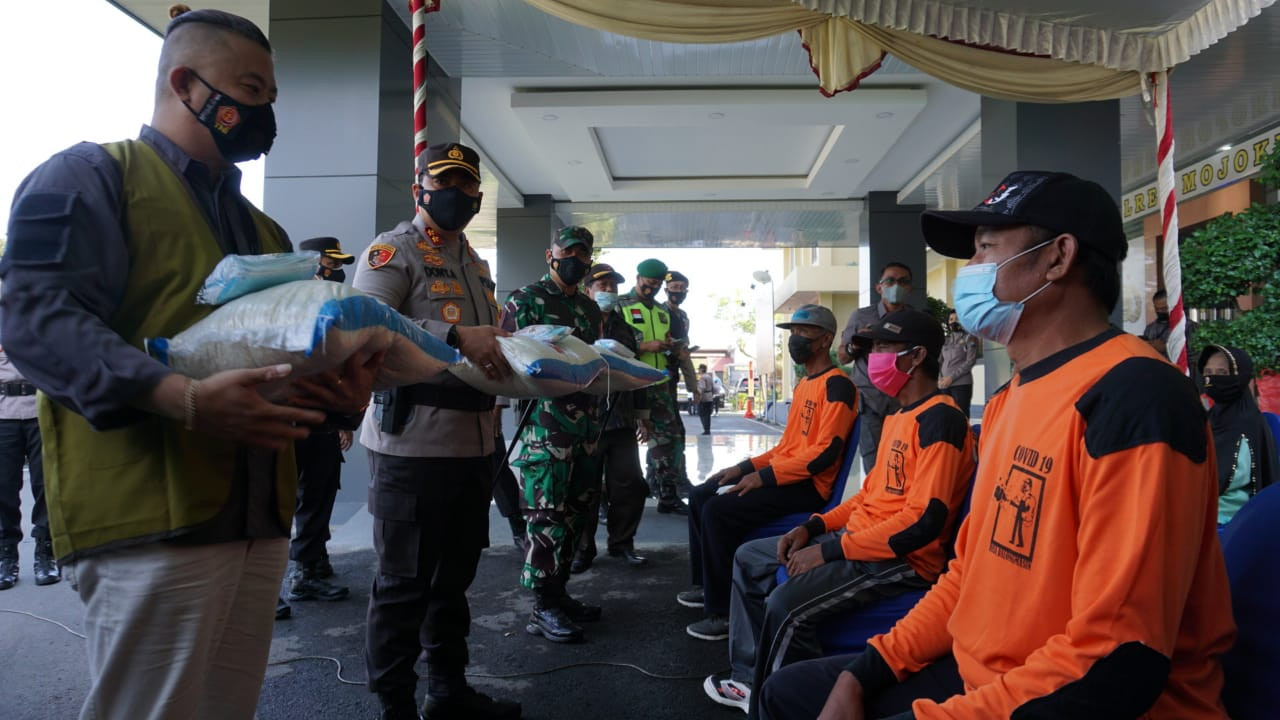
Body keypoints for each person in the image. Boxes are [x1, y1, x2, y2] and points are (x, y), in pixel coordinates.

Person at [0, 8, 378, 719]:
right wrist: (184, 397)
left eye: (271, 94)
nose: (264, 109)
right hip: (149, 515)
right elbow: (36, 320)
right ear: (185, 82)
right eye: (249, 88)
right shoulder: (89, 178)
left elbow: (278, 359)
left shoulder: (264, 230)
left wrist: (340, 398)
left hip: (259, 514)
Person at [758, 171, 1236, 720]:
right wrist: (868, 669)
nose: (971, 272)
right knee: (790, 694)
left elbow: (1117, 660)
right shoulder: (1014, 397)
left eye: (986, 248)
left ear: (1057, 258)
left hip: (1081, 698)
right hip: (983, 673)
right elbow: (968, 572)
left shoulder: (1135, 398)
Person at [704, 309, 974, 715]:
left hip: (901, 559)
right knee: (750, 556)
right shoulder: (898, 416)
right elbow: (867, 498)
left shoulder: (941, 420)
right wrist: (814, 527)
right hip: (859, 542)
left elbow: (921, 523)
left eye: (884, 348)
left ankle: (778, 702)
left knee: (786, 607)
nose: (872, 359)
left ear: (916, 357)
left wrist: (831, 551)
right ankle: (746, 679)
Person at [353, 141, 520, 720]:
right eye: (445, 182)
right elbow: (364, 321)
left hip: (473, 441)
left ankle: (447, 693)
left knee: (453, 581)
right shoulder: (392, 251)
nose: (458, 193)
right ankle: (394, 708)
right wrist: (453, 337)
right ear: (420, 187)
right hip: (413, 443)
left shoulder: (474, 261)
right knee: (404, 583)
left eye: (468, 186)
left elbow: (486, 341)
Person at [681, 304, 858, 642]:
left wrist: (763, 478)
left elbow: (824, 454)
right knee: (704, 492)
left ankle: (722, 613)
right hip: (788, 474)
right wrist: (742, 468)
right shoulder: (806, 384)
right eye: (792, 333)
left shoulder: (838, 386)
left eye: (803, 332)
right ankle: (706, 585)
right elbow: (785, 449)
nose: (795, 339)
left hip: (809, 486)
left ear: (825, 340)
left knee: (719, 511)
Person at [502, 226, 604, 645]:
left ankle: (559, 594)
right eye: (569, 252)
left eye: (584, 254)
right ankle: (542, 606)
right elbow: (504, 357)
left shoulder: (589, 308)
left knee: (578, 515)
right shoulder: (524, 301)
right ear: (551, 254)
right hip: (544, 429)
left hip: (585, 429)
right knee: (547, 518)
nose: (576, 260)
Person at [284, 238, 358, 607]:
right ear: (314, 264)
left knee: (319, 493)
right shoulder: (290, 301)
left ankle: (313, 563)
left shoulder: (331, 305)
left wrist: (343, 420)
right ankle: (292, 578)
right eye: (332, 263)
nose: (338, 270)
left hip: (322, 418)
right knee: (286, 499)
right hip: (291, 416)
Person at [572, 262, 653, 573]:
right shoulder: (575, 325)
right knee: (585, 488)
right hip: (586, 421)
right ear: (587, 290)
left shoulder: (627, 331)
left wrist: (643, 417)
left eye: (613, 287)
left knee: (629, 485)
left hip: (621, 420)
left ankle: (622, 544)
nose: (608, 291)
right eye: (602, 286)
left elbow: (639, 376)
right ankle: (582, 549)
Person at [619, 259, 687, 515]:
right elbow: (610, 343)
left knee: (668, 440)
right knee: (621, 441)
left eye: (657, 285)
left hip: (658, 384)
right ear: (638, 278)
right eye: (649, 284)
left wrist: (670, 346)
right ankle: (613, 499)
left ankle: (667, 495)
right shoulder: (621, 306)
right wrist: (644, 347)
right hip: (629, 382)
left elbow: (668, 337)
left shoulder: (662, 311)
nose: (653, 289)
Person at [838, 263, 914, 473]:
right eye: (890, 280)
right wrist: (857, 344)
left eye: (902, 281)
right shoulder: (861, 316)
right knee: (873, 465)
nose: (896, 285)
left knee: (902, 463)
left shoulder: (915, 320)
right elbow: (842, 356)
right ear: (878, 287)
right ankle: (874, 504)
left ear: (910, 289)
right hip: (869, 401)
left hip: (904, 401)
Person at [1198, 345, 1279, 526]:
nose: (1212, 378)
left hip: (1231, 518)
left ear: (1239, 376)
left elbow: (1231, 478)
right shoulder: (1212, 416)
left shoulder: (1247, 423)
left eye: (1222, 372)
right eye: (1208, 372)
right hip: (1204, 509)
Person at [0, 343, 57, 589]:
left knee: (45, 483)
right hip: (2, 412)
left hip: (40, 408)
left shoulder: (33, 312)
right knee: (4, 487)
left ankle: (45, 553)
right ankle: (6, 556)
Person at [666, 270, 700, 485]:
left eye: (682, 288)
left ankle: (677, 479)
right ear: (666, 288)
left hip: (671, 379)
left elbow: (684, 355)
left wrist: (693, 387)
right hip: (655, 379)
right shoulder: (660, 313)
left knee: (675, 432)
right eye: (674, 287)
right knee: (665, 435)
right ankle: (665, 481)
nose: (678, 292)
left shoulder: (683, 316)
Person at [937, 310, 977, 420]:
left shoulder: (969, 338)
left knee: (961, 415)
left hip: (961, 384)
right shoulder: (946, 340)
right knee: (945, 416)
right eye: (951, 320)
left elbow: (970, 361)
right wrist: (940, 378)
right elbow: (940, 361)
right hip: (944, 385)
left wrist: (951, 378)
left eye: (957, 319)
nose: (954, 322)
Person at [1141, 288, 1198, 358]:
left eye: (1164, 308)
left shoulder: (1189, 326)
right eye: (1157, 309)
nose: (1160, 311)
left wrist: (1166, 348)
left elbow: (1196, 353)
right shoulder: (1150, 328)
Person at [697, 364, 716, 435]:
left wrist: (698, 395)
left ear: (702, 369)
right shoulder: (709, 377)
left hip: (704, 397)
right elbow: (714, 387)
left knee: (702, 413)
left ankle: (706, 429)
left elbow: (701, 388)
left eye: (699, 369)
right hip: (710, 396)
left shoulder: (703, 378)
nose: (698, 370)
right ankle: (707, 429)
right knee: (707, 414)